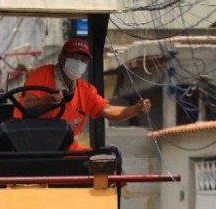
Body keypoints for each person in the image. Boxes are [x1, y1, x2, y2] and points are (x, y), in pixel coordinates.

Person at [16, 37, 151, 150]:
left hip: (63, 147)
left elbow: (108, 111)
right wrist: (46, 101)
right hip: (29, 143)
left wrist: (135, 109)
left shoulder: (85, 91)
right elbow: (27, 106)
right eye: (75, 57)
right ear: (62, 58)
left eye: (83, 60)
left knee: (107, 160)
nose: (79, 62)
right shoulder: (42, 75)